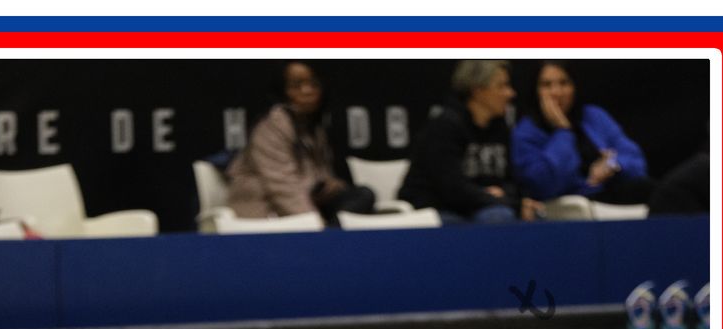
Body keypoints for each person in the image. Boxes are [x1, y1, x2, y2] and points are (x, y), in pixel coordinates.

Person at [226, 61, 375, 222]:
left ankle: (333, 234)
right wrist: (315, 226)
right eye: (296, 85)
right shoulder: (271, 127)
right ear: (283, 90)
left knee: (362, 195)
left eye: (314, 84)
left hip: (307, 202)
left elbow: (313, 175)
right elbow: (282, 186)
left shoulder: (311, 126)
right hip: (266, 208)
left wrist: (329, 185)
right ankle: (329, 236)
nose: (307, 91)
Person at [399, 60, 542, 224]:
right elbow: (452, 189)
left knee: (529, 214)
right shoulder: (444, 126)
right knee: (498, 217)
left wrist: (505, 194)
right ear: (478, 90)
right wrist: (503, 201)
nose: (510, 93)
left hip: (480, 206)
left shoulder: (500, 128)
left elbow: (512, 181)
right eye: (502, 86)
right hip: (437, 209)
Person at [511, 62, 654, 204]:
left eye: (564, 83)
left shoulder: (593, 116)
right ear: (535, 91)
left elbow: (636, 160)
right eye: (546, 85)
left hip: (610, 190)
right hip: (569, 202)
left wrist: (612, 165)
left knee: (651, 190)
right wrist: (563, 130)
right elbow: (544, 186)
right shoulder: (525, 132)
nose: (556, 92)